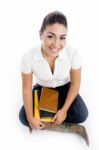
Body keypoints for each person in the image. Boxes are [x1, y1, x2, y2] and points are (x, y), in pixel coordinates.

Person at [19, 11, 88, 130]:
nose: (56, 44)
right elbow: (26, 88)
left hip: (65, 87)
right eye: (50, 36)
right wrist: (31, 118)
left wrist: (64, 110)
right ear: (41, 34)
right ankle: (51, 119)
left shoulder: (73, 53)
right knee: (24, 118)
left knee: (82, 114)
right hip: (43, 88)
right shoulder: (28, 57)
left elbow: (75, 84)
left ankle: (50, 117)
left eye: (62, 38)